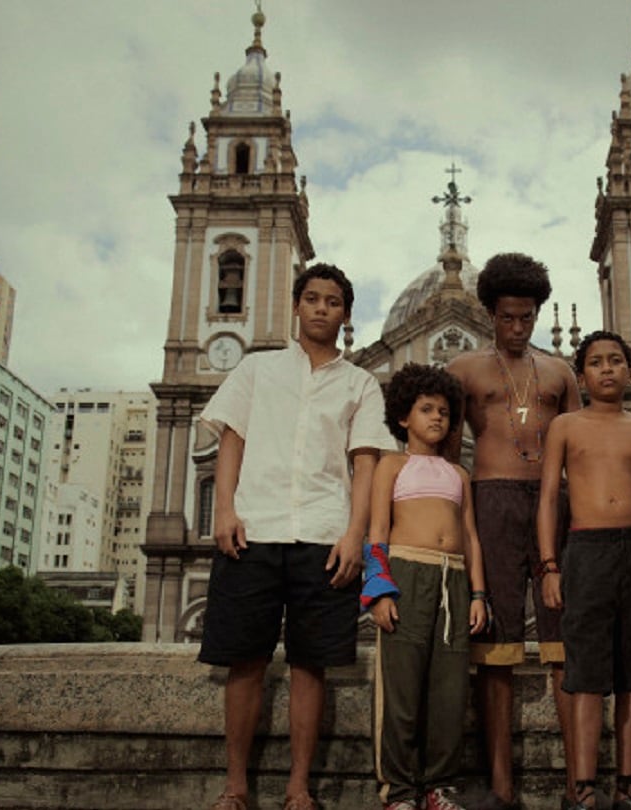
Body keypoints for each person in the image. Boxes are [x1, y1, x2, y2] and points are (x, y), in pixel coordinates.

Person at [196, 264, 397, 810]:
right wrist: (225, 510)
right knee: (244, 661)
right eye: (312, 298)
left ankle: (298, 788)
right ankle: (236, 786)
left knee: (312, 666)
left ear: (346, 313)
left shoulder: (360, 385)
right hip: (252, 531)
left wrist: (354, 535)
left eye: (333, 302)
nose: (321, 309)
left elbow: (365, 466)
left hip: (323, 535)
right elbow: (231, 442)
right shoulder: (257, 370)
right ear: (296, 305)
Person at [446, 252, 582, 809]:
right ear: (489, 314)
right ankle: (501, 788)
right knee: (496, 649)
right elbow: (451, 457)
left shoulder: (560, 372)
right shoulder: (464, 372)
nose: (518, 327)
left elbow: (580, 447)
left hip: (555, 504)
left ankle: (581, 785)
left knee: (565, 644)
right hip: (492, 497)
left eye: (526, 317)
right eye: (507, 317)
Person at [537, 330, 631, 810]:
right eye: (596, 362)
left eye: (616, 361)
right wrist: (549, 566)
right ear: (581, 375)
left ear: (629, 371)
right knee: (585, 675)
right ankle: (582, 790)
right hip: (586, 549)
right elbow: (546, 501)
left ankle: (626, 788)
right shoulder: (565, 426)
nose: (607, 369)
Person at [363, 363, 491, 810]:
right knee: (400, 692)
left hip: (453, 580)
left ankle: (439, 787)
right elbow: (377, 529)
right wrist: (378, 590)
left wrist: (477, 594)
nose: (437, 418)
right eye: (426, 409)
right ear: (403, 416)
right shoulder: (390, 465)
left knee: (449, 692)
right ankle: (397, 791)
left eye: (443, 411)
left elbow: (471, 536)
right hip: (406, 575)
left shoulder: (459, 474)